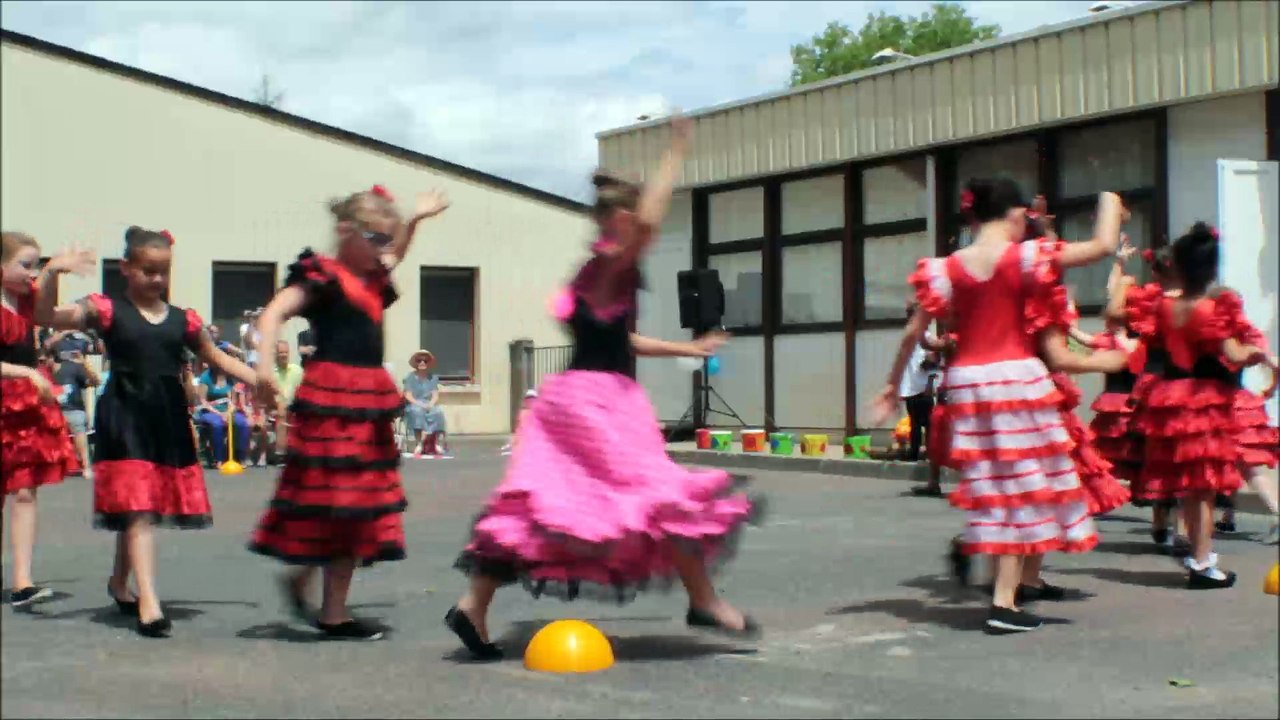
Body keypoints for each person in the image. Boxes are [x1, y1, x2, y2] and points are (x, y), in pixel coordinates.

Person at [446, 118, 762, 662]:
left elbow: (620, 339)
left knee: (547, 507)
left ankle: (472, 604)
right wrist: (675, 154)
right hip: (600, 405)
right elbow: (652, 221)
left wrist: (687, 350)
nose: (642, 231)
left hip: (571, 398)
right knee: (661, 496)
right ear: (619, 218)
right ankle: (704, 599)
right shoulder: (615, 262)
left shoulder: (592, 272)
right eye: (632, 219)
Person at [873, 177, 1128, 633]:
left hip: (968, 384)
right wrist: (1110, 199)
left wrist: (892, 386)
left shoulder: (943, 268)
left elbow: (914, 333)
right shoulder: (1027, 257)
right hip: (1016, 380)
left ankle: (999, 583)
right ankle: (1004, 603)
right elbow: (1103, 244)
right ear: (1016, 214)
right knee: (1024, 490)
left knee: (996, 489)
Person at [251, 183, 449, 641]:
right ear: (345, 231)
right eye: (374, 238)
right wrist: (262, 371)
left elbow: (396, 254)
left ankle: (317, 594)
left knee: (358, 504)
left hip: (367, 399)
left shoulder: (374, 276)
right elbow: (272, 315)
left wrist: (414, 222)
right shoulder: (323, 276)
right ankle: (330, 610)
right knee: (336, 502)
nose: (383, 248)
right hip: (333, 399)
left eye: (386, 238)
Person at [35, 226, 255, 637]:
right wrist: (52, 273)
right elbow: (44, 316)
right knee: (138, 508)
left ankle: (120, 583)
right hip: (125, 413)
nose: (156, 279)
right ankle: (149, 603)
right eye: (148, 271)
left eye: (163, 271)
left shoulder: (183, 319)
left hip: (166, 416)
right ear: (127, 269)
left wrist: (262, 381)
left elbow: (218, 359)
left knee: (141, 505)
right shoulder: (106, 310)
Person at [1123, 222, 1278, 588]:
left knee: (1189, 489)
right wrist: (1259, 353)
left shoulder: (1163, 307)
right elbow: (1234, 354)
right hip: (1204, 403)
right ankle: (1203, 563)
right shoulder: (1213, 310)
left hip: (1172, 399)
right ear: (1211, 270)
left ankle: (1199, 556)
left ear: (1176, 265)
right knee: (1203, 489)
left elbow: (1154, 344)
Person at [1, 232, 88, 606]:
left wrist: (53, 273)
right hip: (14, 388)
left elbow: (45, 310)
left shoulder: (26, 300)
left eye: (35, 264)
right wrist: (27, 374)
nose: (30, 272)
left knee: (25, 491)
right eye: (25, 264)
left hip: (25, 401)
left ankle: (23, 580)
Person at [54, 347, 101, 480]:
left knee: (68, 435)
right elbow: (95, 381)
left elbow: (94, 382)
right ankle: (86, 467)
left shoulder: (50, 368)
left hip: (58, 409)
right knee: (79, 434)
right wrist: (84, 362)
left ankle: (67, 467)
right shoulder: (76, 366)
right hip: (72, 408)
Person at [194, 365, 250, 466]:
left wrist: (229, 412)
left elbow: (233, 400)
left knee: (243, 423)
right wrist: (220, 414)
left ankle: (240, 457)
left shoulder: (229, 378)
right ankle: (218, 458)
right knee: (217, 425)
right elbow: (202, 401)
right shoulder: (205, 377)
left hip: (227, 411)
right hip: (209, 411)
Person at [402, 349, 450, 458]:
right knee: (416, 411)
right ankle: (420, 443)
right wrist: (420, 405)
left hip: (428, 403)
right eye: (419, 360)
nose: (422, 363)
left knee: (438, 411)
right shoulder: (410, 377)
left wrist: (431, 404)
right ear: (416, 363)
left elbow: (435, 395)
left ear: (428, 363)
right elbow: (408, 396)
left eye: (425, 361)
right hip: (414, 403)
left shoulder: (432, 378)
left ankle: (436, 443)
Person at [270, 340, 303, 458]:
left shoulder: (297, 370)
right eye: (281, 352)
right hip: (276, 408)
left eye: (286, 352)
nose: (284, 355)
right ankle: (281, 452)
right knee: (281, 410)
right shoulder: (270, 374)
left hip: (294, 406)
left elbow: (302, 391)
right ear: (276, 354)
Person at [500, 388, 538, 456]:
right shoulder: (522, 413)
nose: (530, 402)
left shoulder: (539, 413)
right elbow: (519, 428)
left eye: (532, 400)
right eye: (528, 400)